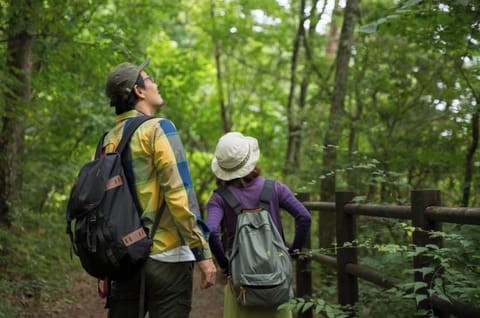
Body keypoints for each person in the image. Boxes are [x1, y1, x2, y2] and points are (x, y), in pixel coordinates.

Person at [103, 58, 216, 318]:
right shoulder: (158, 129)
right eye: (150, 78)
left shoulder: (108, 139)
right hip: (166, 256)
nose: (155, 83)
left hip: (124, 259)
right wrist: (202, 252)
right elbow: (179, 196)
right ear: (139, 91)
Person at [206, 132, 312, 318]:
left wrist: (226, 265)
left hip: (241, 284)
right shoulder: (275, 188)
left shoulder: (219, 198)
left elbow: (212, 231)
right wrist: (292, 253)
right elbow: (304, 217)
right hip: (276, 282)